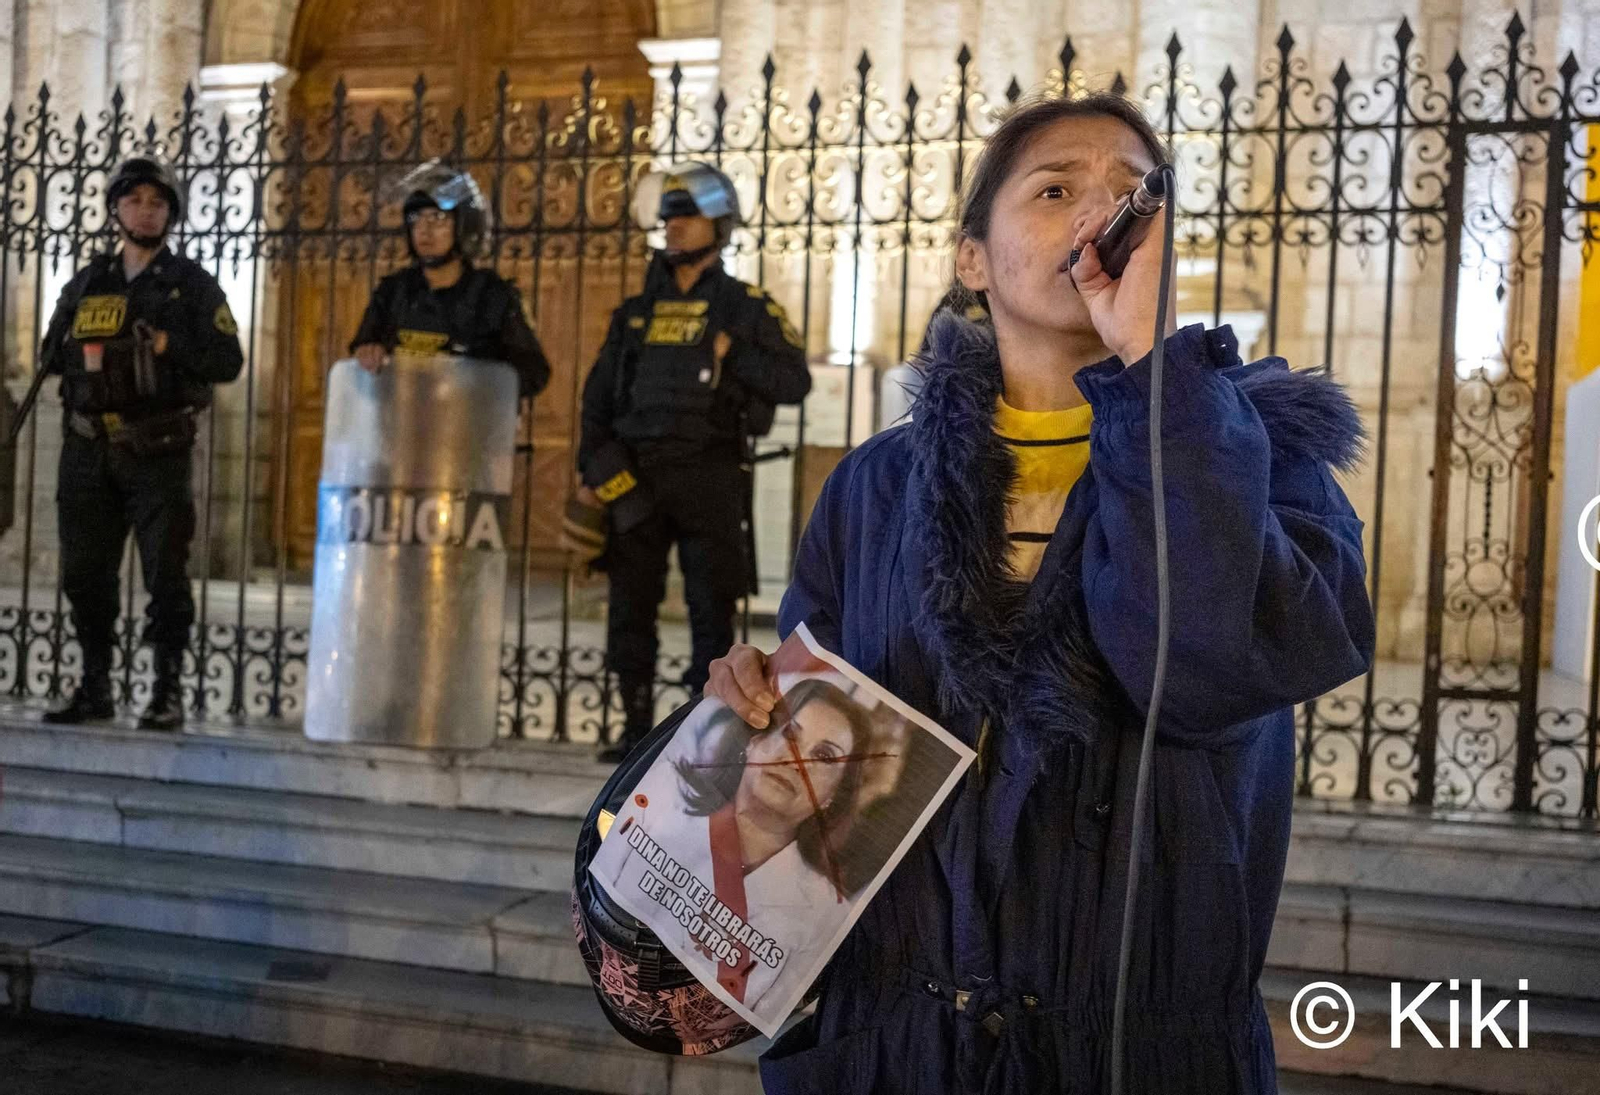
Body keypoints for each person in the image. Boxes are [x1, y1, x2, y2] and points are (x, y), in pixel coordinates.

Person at [704, 93, 1376, 1094]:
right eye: (1055, 187)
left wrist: (1156, 376)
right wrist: (753, 699)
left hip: (1131, 1053)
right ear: (972, 258)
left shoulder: (1262, 467)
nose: (1094, 215)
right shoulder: (876, 487)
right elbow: (818, 769)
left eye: (1128, 195)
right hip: (900, 1050)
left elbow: (1202, 673)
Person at [579, 162, 812, 764]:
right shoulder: (633, 313)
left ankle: (701, 733)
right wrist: (598, 473)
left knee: (712, 611)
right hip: (638, 479)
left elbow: (793, 379)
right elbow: (597, 402)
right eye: (669, 216)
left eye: (688, 216)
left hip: (709, 474)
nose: (674, 226)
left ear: (719, 225)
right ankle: (633, 730)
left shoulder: (745, 306)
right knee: (630, 607)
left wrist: (733, 357)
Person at [38, 152, 244, 731]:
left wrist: (167, 348)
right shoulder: (87, 281)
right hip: (87, 447)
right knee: (85, 573)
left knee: (165, 574)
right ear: (115, 209)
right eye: (134, 200)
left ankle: (166, 690)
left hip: (157, 450)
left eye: (157, 203)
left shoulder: (192, 286)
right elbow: (49, 352)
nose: (145, 211)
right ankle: (96, 685)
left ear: (171, 214)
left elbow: (228, 361)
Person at [666, 678, 873, 1011]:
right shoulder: (662, 816)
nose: (796, 761)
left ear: (832, 797)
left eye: (823, 756)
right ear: (756, 742)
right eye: (790, 734)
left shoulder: (825, 911)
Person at [349, 162, 550, 400]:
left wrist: (473, 377)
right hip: (400, 427)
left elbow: (532, 372)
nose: (424, 229)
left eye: (437, 217)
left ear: (464, 225)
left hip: (467, 429)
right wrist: (369, 353)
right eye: (416, 218)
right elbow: (363, 351)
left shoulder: (492, 296)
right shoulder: (393, 292)